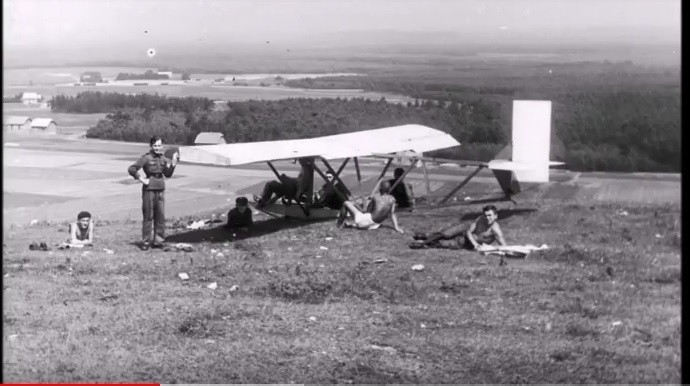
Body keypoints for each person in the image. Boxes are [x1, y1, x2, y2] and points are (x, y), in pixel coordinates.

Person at [127, 136, 178, 250]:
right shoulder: (146, 158)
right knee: (148, 216)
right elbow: (132, 169)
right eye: (155, 145)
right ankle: (146, 242)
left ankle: (158, 241)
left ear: (162, 146)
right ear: (151, 146)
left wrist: (173, 164)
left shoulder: (163, 159)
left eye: (159, 145)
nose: (157, 148)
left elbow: (168, 174)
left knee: (160, 216)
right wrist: (142, 179)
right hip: (149, 189)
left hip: (160, 188)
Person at [409, 205, 506, 250]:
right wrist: (475, 244)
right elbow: (469, 231)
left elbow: (504, 245)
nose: (487, 217)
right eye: (486, 215)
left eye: (489, 215)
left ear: (496, 216)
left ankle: (423, 244)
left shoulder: (496, 230)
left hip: (466, 241)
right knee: (446, 234)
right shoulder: (480, 219)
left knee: (443, 244)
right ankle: (426, 237)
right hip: (467, 229)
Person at [336, 180, 403, 233]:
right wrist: (396, 227)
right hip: (375, 225)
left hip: (365, 222)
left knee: (346, 203)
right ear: (389, 189)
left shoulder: (376, 197)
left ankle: (339, 225)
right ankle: (350, 224)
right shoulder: (392, 199)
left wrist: (357, 207)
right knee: (356, 212)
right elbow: (392, 213)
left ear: (380, 189)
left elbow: (367, 211)